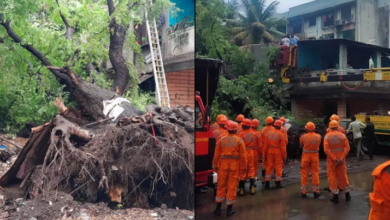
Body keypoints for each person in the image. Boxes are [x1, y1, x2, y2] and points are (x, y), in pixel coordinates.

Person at [213, 121, 247, 216]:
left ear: (227, 129)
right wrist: (244, 167)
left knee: (221, 186)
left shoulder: (221, 140)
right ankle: (229, 209)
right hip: (234, 166)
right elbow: (243, 156)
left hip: (223, 165)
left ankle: (218, 209)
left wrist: (216, 166)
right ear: (236, 129)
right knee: (232, 187)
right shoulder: (239, 140)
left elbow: (216, 155)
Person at [324, 120, 351, 204]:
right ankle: (347, 195)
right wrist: (342, 157)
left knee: (333, 177)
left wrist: (334, 158)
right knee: (343, 176)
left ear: (330, 127)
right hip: (341, 160)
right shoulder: (343, 136)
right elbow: (347, 148)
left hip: (332, 161)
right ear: (337, 126)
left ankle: (335, 197)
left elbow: (326, 150)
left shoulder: (327, 137)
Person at [300, 122, 321, 198]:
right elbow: (318, 145)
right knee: (315, 173)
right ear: (314, 128)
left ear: (306, 129)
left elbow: (301, 145)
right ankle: (316, 191)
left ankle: (303, 192)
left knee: (304, 173)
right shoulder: (318, 137)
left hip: (305, 156)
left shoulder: (303, 137)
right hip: (315, 156)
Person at [263, 120, 287, 189]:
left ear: (274, 125)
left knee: (269, 166)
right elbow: (283, 147)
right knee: (278, 167)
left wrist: (264, 155)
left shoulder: (268, 133)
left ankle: (267, 183)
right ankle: (278, 183)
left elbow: (265, 145)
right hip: (278, 151)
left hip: (269, 151)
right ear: (280, 126)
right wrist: (284, 156)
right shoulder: (281, 135)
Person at [324, 114, 345, 192]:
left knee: (331, 172)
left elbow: (327, 143)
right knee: (341, 171)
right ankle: (341, 186)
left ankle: (332, 186)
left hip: (331, 153)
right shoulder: (342, 129)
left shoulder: (328, 130)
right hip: (341, 152)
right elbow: (344, 141)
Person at [238, 119, 256, 195]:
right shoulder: (254, 134)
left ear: (245, 126)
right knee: (251, 169)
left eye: (243, 124)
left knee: (242, 170)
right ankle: (252, 188)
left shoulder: (240, 134)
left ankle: (241, 189)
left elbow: (238, 145)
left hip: (243, 153)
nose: (241, 125)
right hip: (251, 152)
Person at [260, 116, 275, 184]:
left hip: (264, 148)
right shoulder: (274, 129)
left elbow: (260, 140)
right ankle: (274, 178)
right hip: (272, 148)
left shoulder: (263, 130)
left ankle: (263, 178)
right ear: (272, 122)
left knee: (264, 163)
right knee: (273, 163)